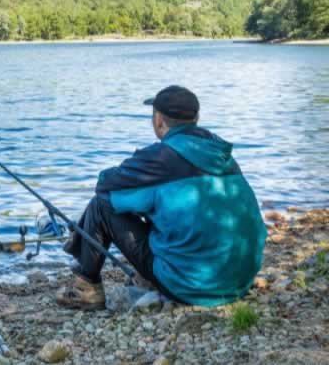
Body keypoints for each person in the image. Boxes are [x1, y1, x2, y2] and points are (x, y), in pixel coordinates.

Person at [56, 85, 268, 309]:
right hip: (239, 279)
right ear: (196, 117)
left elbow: (104, 185)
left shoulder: (159, 157)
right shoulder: (219, 153)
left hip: (192, 286)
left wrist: (138, 189)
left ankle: (87, 288)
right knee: (155, 208)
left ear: (158, 120)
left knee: (102, 206)